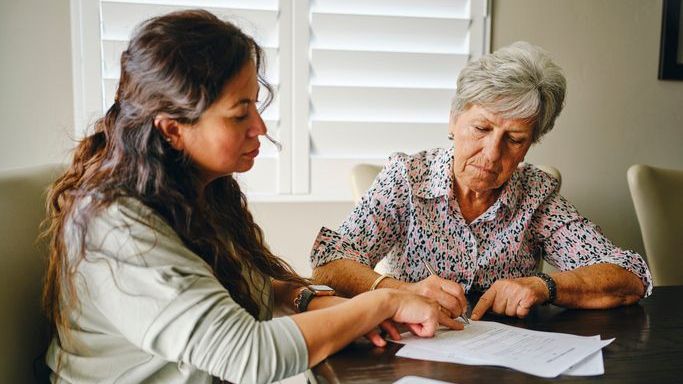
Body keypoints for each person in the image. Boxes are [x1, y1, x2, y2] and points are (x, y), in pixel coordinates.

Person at [41, 10, 462, 384]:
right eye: (239, 113)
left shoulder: (190, 190)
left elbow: (243, 288)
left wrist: (311, 300)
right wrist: (381, 301)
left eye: (256, 107)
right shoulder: (117, 228)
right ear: (172, 130)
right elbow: (248, 355)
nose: (260, 127)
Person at [310, 41, 652, 322]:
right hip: (414, 351)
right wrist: (400, 289)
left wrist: (543, 285)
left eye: (514, 139)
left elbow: (629, 276)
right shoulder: (407, 179)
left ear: (529, 145)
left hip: (508, 362)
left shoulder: (537, 196)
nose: (491, 154)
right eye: (482, 129)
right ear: (454, 120)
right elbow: (329, 263)